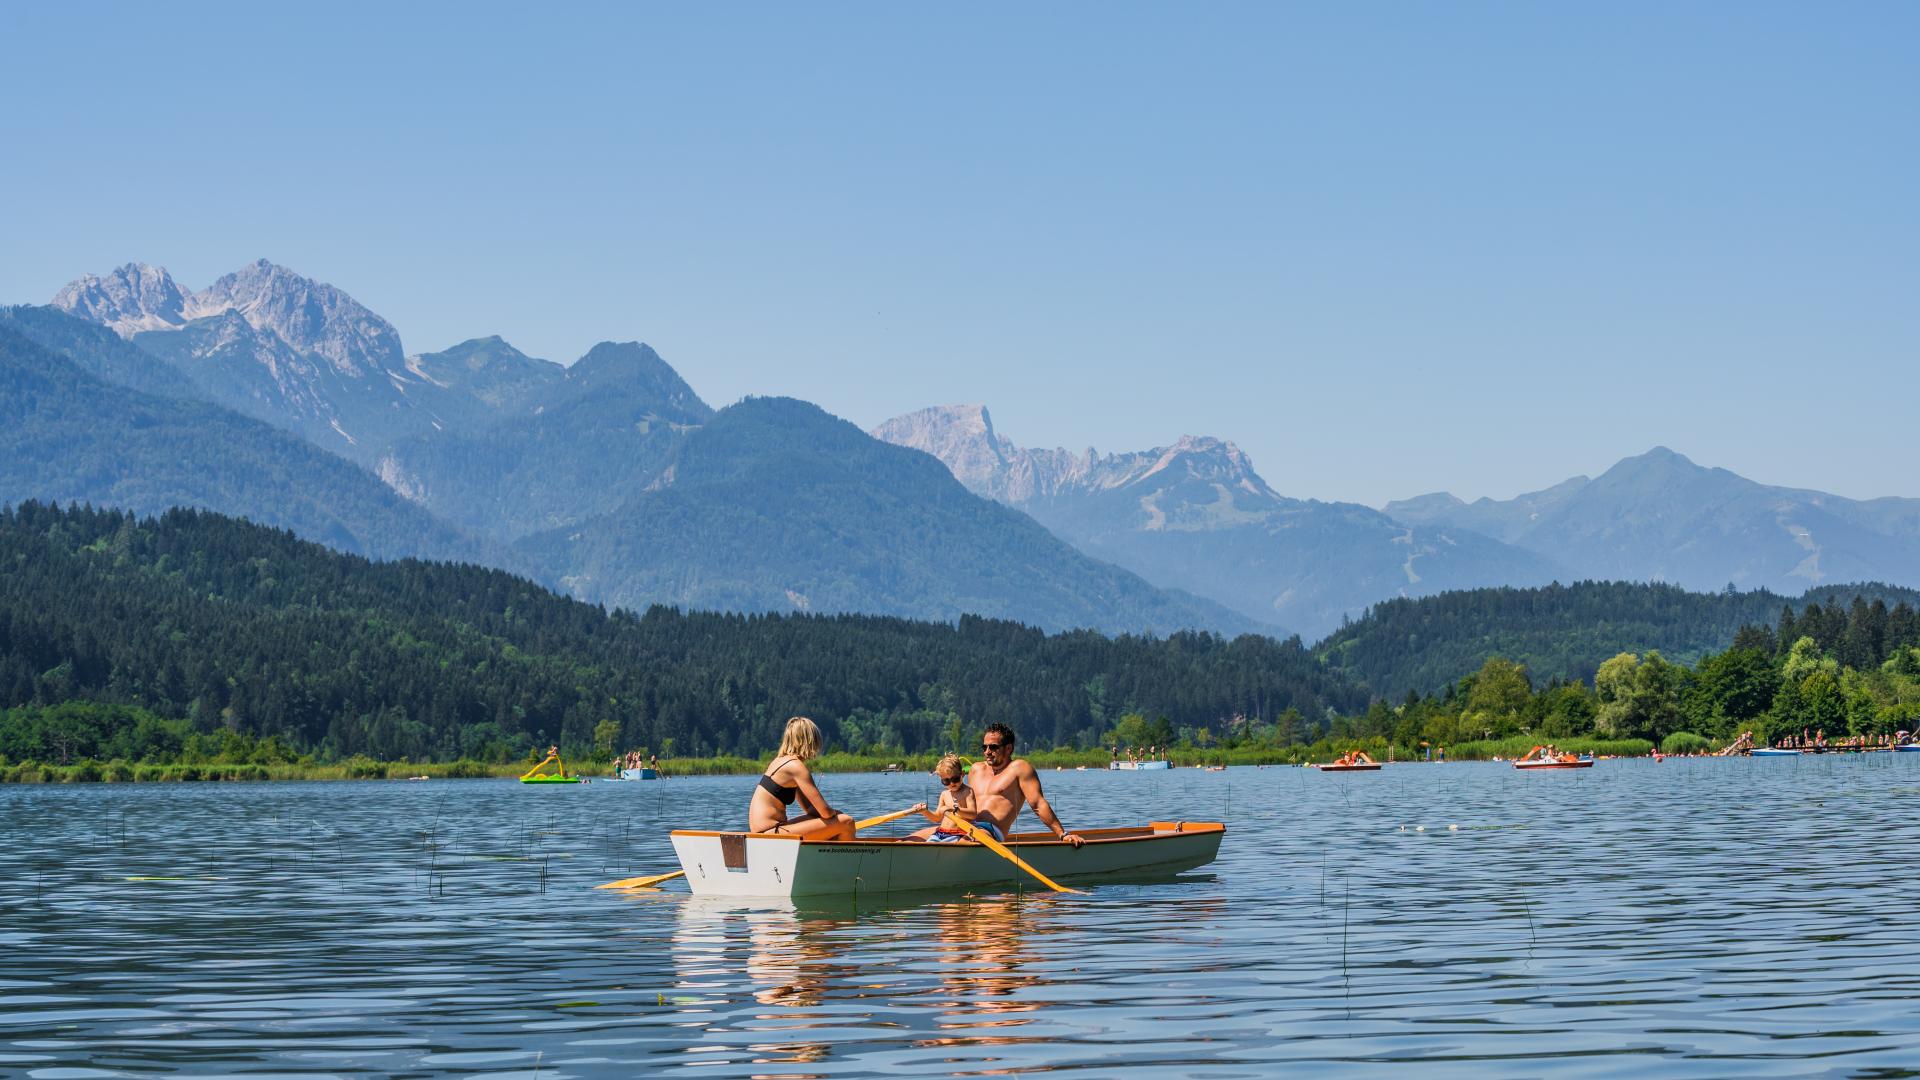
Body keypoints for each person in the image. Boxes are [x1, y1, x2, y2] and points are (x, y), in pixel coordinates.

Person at [968, 723, 1084, 846]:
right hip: (966, 826)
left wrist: (1062, 834)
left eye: (993, 747)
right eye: (984, 747)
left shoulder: (1020, 768)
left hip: (989, 831)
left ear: (1008, 748)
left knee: (972, 837)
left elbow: (1038, 804)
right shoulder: (975, 769)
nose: (987, 752)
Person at [749, 717, 855, 840]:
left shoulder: (780, 761)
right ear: (809, 741)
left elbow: (810, 810)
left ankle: (832, 848)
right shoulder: (796, 767)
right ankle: (845, 851)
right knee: (847, 822)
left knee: (836, 820)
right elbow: (825, 812)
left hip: (767, 831)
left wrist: (834, 816)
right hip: (770, 833)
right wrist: (836, 814)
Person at [909, 754, 982, 842]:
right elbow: (937, 818)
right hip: (940, 833)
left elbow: (973, 814)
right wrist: (925, 811)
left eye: (955, 779)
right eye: (946, 781)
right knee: (928, 846)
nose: (952, 783)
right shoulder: (944, 794)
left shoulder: (967, 791)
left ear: (962, 774)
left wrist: (955, 809)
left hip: (958, 834)